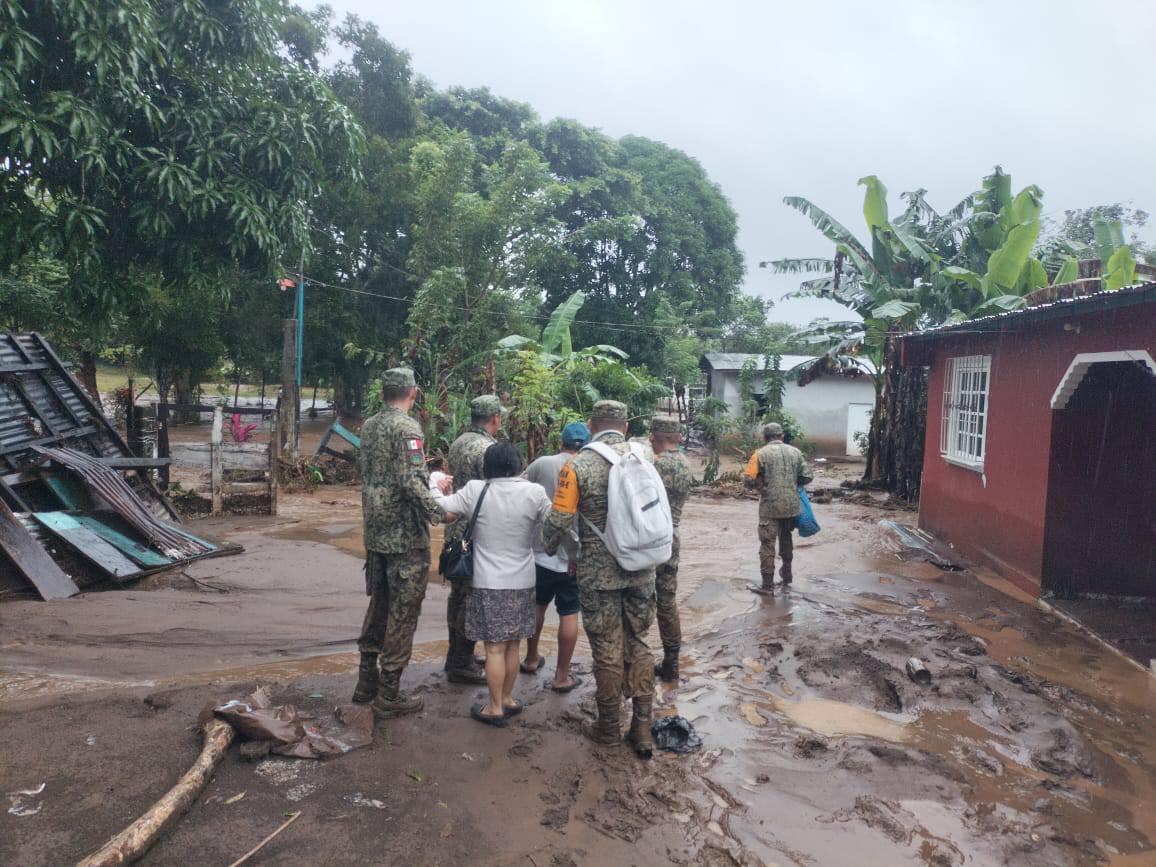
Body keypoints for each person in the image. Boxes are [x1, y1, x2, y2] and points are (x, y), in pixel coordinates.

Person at [542, 400, 659, 758]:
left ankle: (608, 727)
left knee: (607, 648)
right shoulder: (644, 456)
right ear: (625, 427)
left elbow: (559, 520)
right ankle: (642, 728)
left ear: (592, 426)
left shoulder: (577, 465)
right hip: (642, 566)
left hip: (598, 573)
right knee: (639, 641)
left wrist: (548, 546)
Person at [354, 368, 453, 717]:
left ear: (384, 393)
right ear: (412, 392)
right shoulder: (408, 428)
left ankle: (366, 682)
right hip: (405, 536)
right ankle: (389, 692)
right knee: (403, 612)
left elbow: (377, 474)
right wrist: (440, 512)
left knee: (379, 605)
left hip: (375, 531)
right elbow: (411, 481)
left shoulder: (370, 426)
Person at [435, 442, 552, 727]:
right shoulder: (535, 493)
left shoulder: (476, 489)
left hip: (488, 582)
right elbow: (557, 523)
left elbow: (441, 509)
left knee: (494, 649)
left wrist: (434, 485)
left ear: (487, 466)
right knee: (512, 645)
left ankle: (495, 707)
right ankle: (508, 698)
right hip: (523, 580)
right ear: (518, 464)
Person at [520, 421, 590, 692]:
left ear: (561, 442)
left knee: (537, 605)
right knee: (569, 612)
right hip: (572, 556)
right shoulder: (588, 467)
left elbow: (518, 490)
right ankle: (561, 676)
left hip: (540, 552)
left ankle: (530, 658)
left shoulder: (541, 464)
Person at [442, 395, 504, 685]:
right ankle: (461, 662)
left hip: (456, 531)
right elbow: (497, 492)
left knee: (458, 595)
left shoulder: (459, 442)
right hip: (476, 535)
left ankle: (456, 654)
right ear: (494, 418)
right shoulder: (488, 450)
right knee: (470, 598)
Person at [742, 422, 814, 595]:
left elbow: (748, 480)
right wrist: (791, 483)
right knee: (786, 537)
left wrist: (761, 485)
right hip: (791, 505)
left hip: (770, 505)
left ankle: (767, 586)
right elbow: (807, 476)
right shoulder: (795, 452)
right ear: (782, 436)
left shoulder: (760, 454)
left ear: (765, 438)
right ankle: (787, 576)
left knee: (767, 544)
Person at [650, 418, 693, 682]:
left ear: (652, 437)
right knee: (667, 600)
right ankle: (671, 663)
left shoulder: (653, 465)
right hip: (672, 536)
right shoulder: (685, 463)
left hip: (648, 538)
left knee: (640, 598)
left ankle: (635, 661)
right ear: (678, 437)